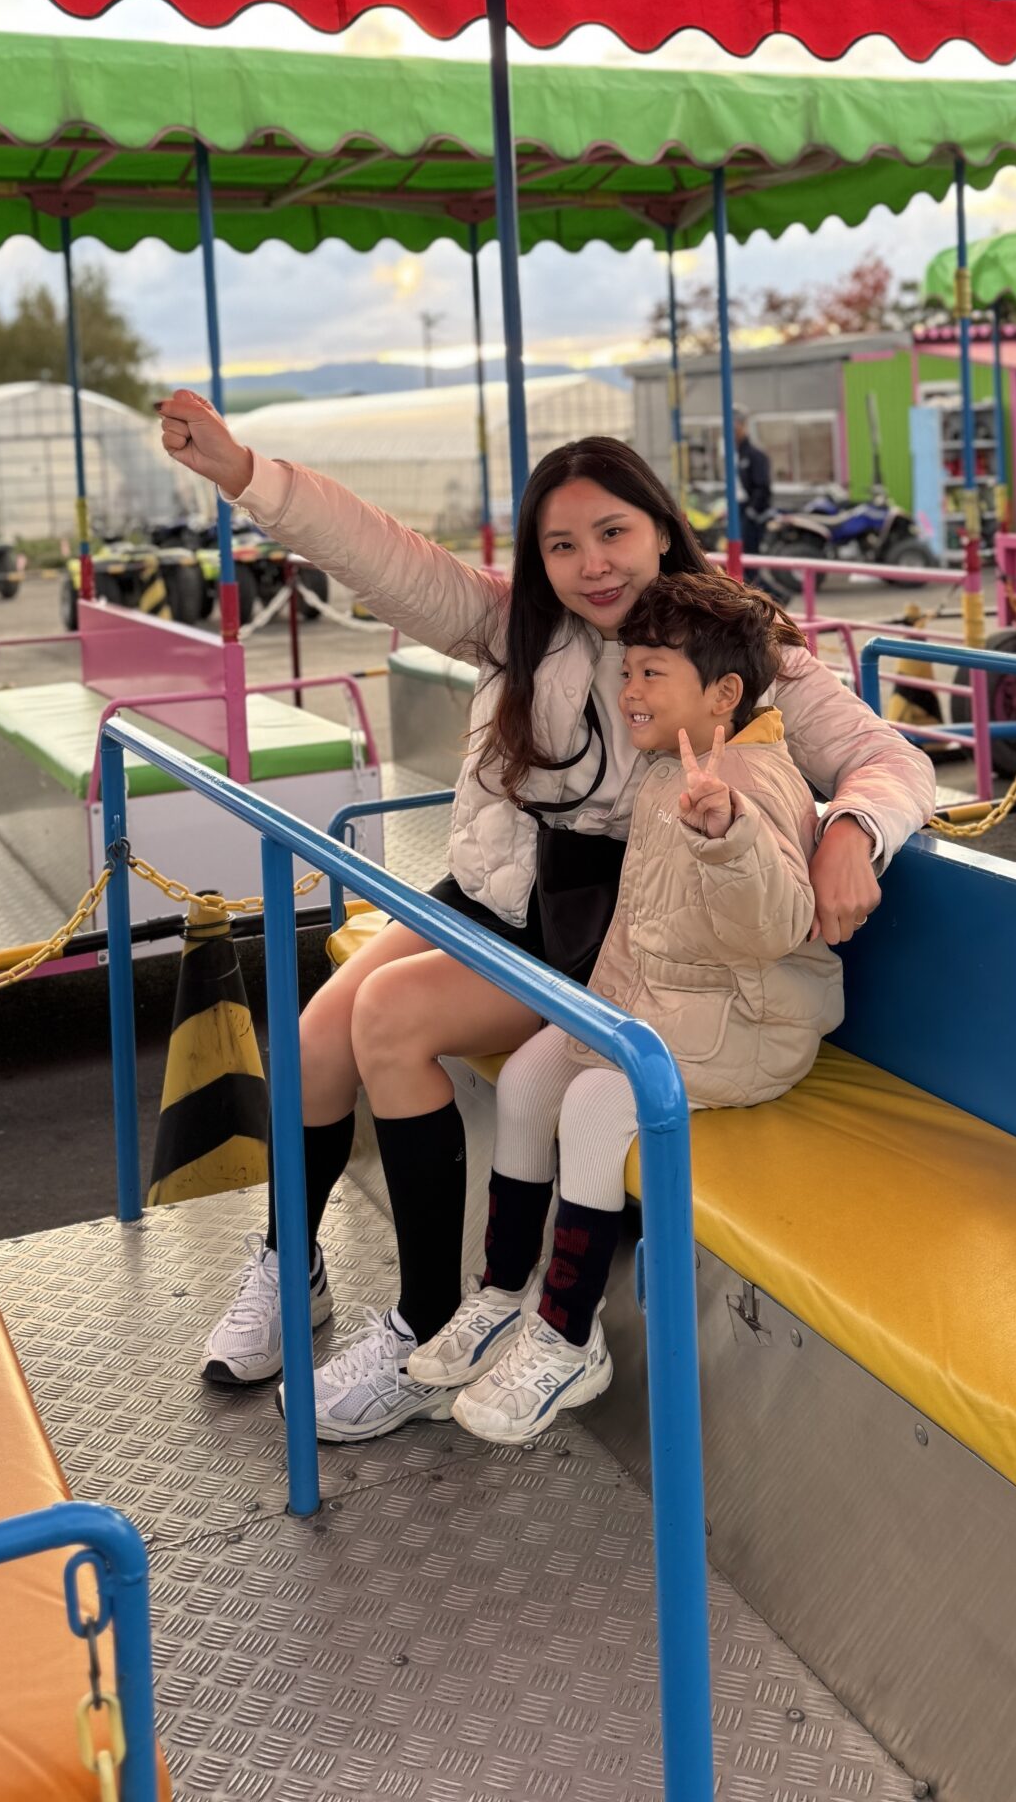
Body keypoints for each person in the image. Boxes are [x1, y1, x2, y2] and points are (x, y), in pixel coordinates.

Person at [158, 392, 934, 1442]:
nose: (592, 564)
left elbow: (887, 757)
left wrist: (853, 830)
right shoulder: (517, 629)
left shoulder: (734, 648)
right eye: (562, 545)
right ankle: (290, 1266)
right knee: (312, 1040)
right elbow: (386, 559)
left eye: (614, 533)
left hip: (597, 930)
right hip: (500, 891)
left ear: (661, 529)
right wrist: (249, 475)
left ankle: (425, 1325)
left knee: (388, 1020)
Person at [410, 570, 838, 1443]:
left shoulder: (750, 781)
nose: (629, 689)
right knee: (531, 1077)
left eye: (652, 674)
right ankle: (503, 1290)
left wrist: (727, 839)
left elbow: (776, 925)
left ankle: (569, 1332)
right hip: (667, 1010)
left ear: (723, 694)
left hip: (749, 1026)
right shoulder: (669, 765)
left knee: (597, 1102)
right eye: (628, 670)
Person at [732, 407, 772, 555]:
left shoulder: (755, 455)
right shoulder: (734, 454)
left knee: (748, 551)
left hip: (750, 512)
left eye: (736, 426)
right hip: (737, 508)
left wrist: (751, 511)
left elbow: (762, 487)